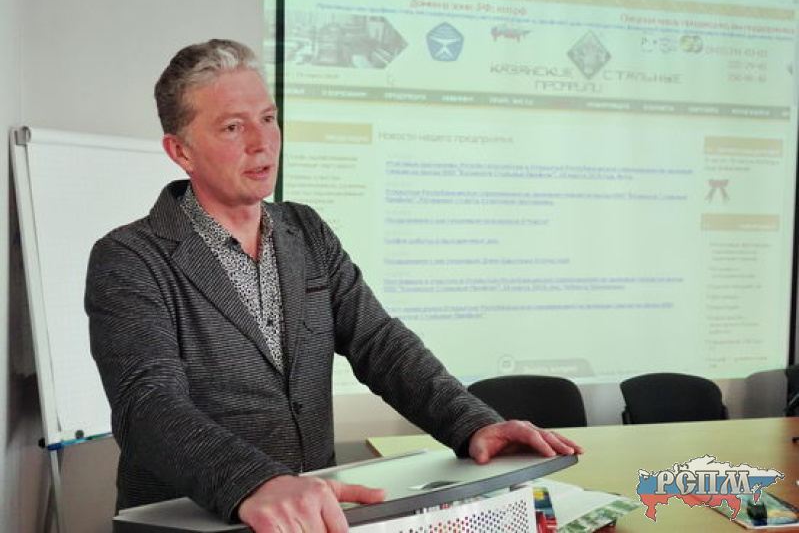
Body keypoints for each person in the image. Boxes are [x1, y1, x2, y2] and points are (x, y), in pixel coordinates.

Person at [85, 39, 582, 533]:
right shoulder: (129, 258)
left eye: (268, 118)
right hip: (193, 521)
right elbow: (147, 406)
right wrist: (252, 481)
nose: (262, 142)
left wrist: (472, 422)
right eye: (233, 127)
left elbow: (380, 343)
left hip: (317, 519)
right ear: (181, 151)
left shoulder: (306, 230)